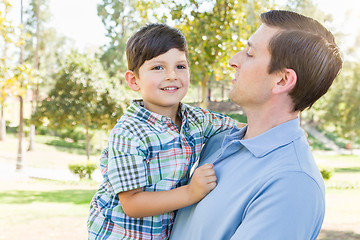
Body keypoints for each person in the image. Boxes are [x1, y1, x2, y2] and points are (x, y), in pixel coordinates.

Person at [170, 10, 342, 240]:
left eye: (249, 54)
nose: (233, 61)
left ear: (282, 80)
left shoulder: (293, 184)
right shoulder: (219, 142)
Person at [87, 23, 242, 240]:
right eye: (158, 67)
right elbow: (132, 203)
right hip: (120, 235)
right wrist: (191, 192)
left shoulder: (196, 119)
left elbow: (237, 127)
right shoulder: (129, 133)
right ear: (134, 80)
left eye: (180, 66)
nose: (172, 75)